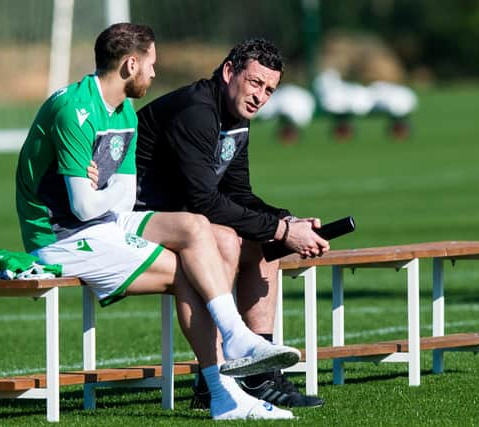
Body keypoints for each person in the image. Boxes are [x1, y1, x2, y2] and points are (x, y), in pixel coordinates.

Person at [15, 23, 300, 420]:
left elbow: (123, 194)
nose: (154, 73)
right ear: (131, 64)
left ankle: (233, 357)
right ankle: (225, 388)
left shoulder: (125, 112)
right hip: (61, 234)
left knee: (196, 228)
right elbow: (81, 207)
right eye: (151, 64)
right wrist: (100, 193)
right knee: (190, 270)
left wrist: (100, 189)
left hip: (109, 220)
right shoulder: (72, 109)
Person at [132, 38, 329, 408]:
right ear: (229, 72)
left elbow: (237, 192)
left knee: (265, 237)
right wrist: (283, 229)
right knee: (225, 237)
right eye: (255, 83)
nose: (260, 96)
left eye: (270, 90)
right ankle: (214, 378)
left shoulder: (236, 116)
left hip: (182, 219)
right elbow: (203, 202)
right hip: (138, 218)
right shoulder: (196, 111)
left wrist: (287, 222)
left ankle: (259, 370)